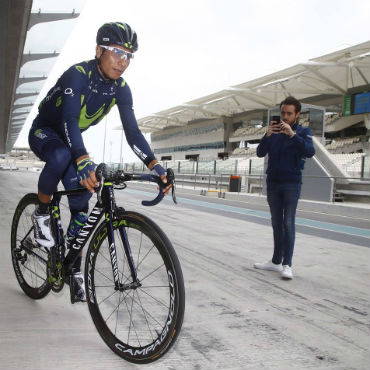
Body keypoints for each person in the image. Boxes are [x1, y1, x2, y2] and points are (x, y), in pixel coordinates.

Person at [28, 22, 171, 302]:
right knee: (60, 156)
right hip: (45, 133)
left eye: (129, 55)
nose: (122, 61)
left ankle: (72, 267)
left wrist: (155, 166)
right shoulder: (77, 75)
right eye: (117, 52)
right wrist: (82, 158)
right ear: (99, 50)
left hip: (72, 141)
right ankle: (41, 213)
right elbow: (69, 119)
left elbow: (132, 132)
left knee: (83, 200)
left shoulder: (121, 89)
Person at [254, 96, 315, 279]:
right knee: (276, 223)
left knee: (288, 223)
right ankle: (275, 261)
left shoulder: (303, 132)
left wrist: (292, 135)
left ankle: (287, 264)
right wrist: (267, 135)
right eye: (283, 113)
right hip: (273, 182)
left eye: (289, 113)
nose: (285, 116)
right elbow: (260, 152)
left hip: (291, 183)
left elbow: (310, 151)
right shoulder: (274, 132)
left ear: (297, 114)